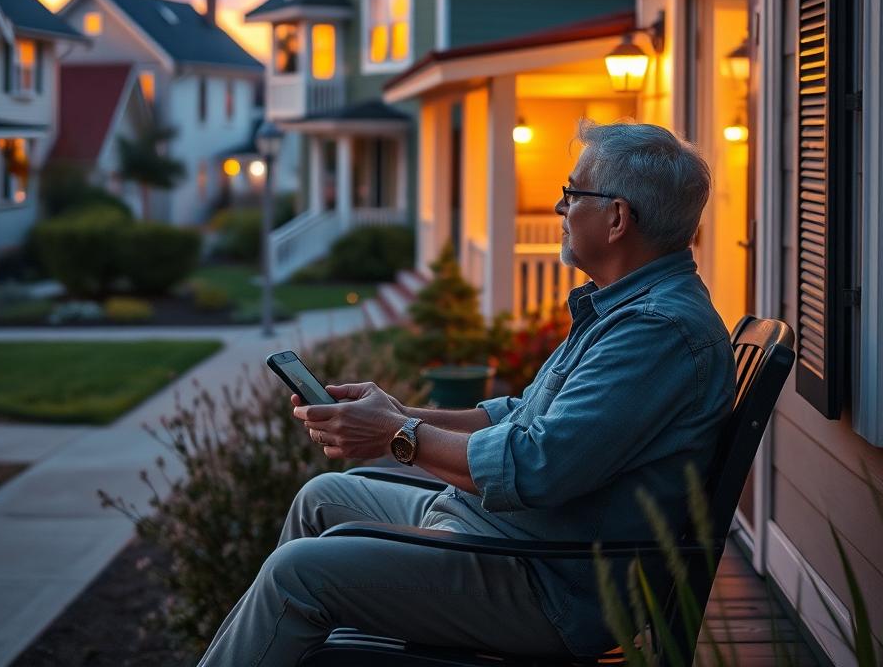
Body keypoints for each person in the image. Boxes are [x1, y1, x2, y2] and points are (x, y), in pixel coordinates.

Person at [199, 120, 736, 665]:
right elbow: (519, 415)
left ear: (617, 218)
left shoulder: (656, 331)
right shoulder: (623, 308)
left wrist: (397, 436)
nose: (560, 208)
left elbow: (536, 466)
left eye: (573, 194)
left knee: (297, 575)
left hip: (543, 582)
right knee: (320, 500)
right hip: (502, 535)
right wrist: (396, 412)